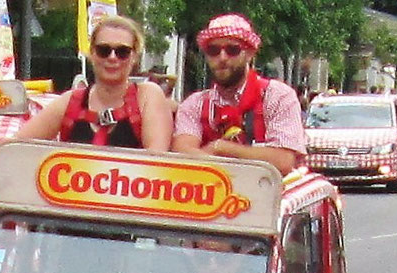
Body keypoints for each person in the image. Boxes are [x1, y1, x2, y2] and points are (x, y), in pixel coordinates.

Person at [172, 13, 306, 175]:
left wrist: (220, 148)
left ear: (250, 53)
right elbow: (182, 152)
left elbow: (283, 160)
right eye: (213, 50)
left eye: (232, 50)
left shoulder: (278, 96)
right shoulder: (194, 104)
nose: (222, 58)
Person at [15, 15, 172, 150]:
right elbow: (14, 147)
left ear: (134, 57)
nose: (112, 58)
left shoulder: (147, 96)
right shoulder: (71, 101)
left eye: (122, 52)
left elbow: (156, 160)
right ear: (92, 53)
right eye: (103, 50)